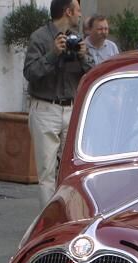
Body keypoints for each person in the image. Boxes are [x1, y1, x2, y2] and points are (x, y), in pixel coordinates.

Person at [24, 0, 92, 206]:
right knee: (46, 172)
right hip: (45, 108)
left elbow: (91, 73)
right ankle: (50, 224)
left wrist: (83, 57)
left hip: (71, 109)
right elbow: (30, 73)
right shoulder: (40, 37)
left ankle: (67, 216)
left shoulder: (77, 38)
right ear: (68, 11)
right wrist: (53, 54)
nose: (80, 15)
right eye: (78, 10)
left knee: (71, 168)